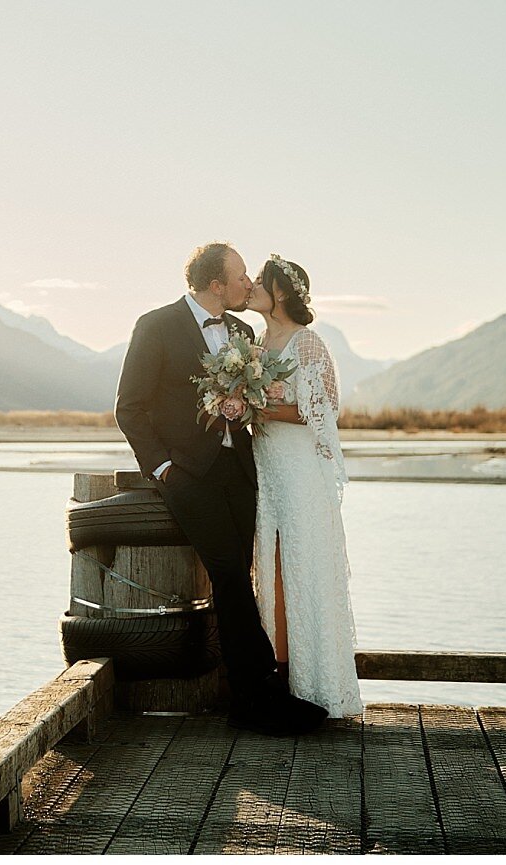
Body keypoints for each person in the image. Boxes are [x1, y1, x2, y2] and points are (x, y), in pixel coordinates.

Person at [115, 242, 327, 736]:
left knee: (243, 575)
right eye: (240, 277)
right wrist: (162, 467)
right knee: (230, 574)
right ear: (216, 285)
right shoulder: (156, 325)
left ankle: (247, 697)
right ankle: (260, 698)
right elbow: (130, 406)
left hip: (241, 469)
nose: (247, 284)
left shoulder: (241, 330)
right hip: (189, 476)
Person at [247, 255, 363, 719]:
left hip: (298, 471)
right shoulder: (253, 344)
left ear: (279, 293)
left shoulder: (308, 344)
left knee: (302, 566)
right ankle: (279, 674)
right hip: (266, 468)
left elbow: (324, 411)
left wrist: (260, 406)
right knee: (269, 567)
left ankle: (315, 683)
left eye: (260, 280)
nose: (252, 286)